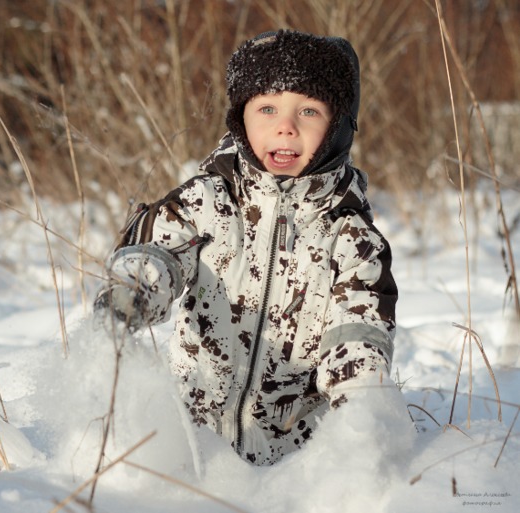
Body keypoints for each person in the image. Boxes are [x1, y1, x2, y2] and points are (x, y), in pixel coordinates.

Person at [94, 29, 399, 465]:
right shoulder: (209, 201)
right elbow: (157, 253)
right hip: (192, 444)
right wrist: (131, 295)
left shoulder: (349, 236)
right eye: (268, 108)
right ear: (241, 118)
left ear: (337, 128)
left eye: (309, 111)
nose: (286, 125)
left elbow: (359, 330)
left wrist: (360, 412)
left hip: (297, 459)